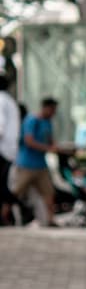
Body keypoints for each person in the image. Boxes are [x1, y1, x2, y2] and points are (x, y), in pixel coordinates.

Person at [12, 96, 60, 227]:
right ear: (46, 108)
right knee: (15, 192)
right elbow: (29, 141)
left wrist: (56, 147)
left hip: (41, 165)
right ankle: (4, 215)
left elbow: (50, 140)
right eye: (52, 110)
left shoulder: (48, 122)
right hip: (26, 164)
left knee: (49, 193)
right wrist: (48, 148)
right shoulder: (32, 120)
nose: (54, 113)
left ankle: (50, 220)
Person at [0, 72, 21, 225]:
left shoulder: (0, 100)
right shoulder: (10, 101)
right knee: (2, 183)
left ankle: (14, 203)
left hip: (2, 149)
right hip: (9, 150)